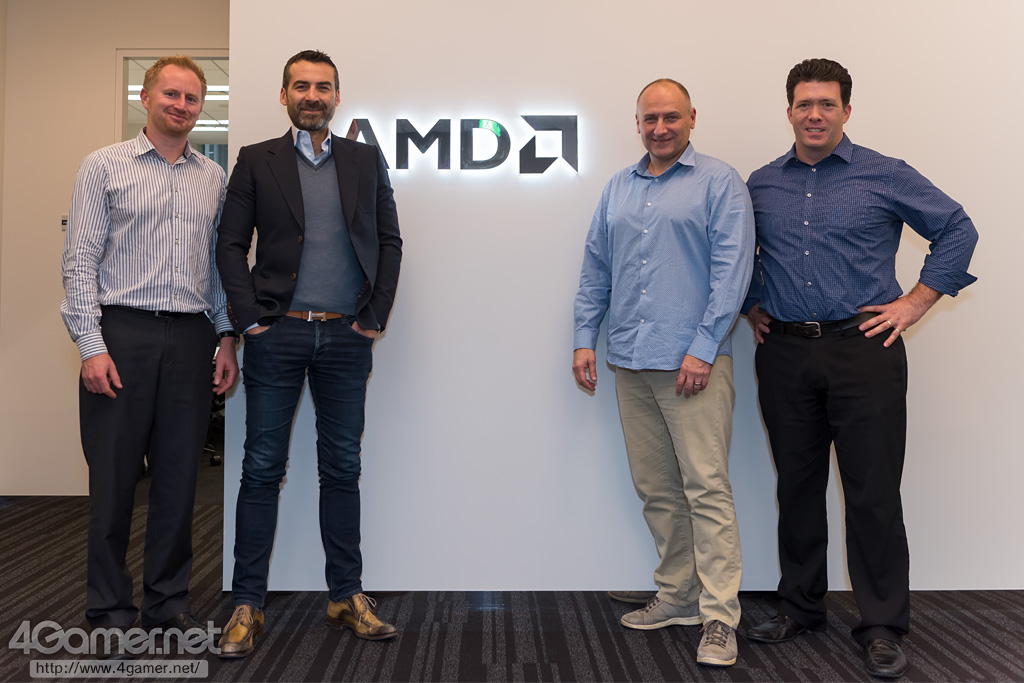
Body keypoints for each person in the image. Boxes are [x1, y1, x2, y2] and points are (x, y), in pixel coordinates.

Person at [742, 58, 979, 679]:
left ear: (846, 110)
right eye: (804, 104)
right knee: (796, 488)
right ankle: (801, 607)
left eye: (827, 104)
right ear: (788, 111)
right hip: (785, 352)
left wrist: (916, 301)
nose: (814, 114)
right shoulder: (761, 183)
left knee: (872, 493)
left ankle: (881, 625)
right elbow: (737, 252)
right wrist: (751, 304)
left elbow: (957, 227)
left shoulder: (884, 173)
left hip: (863, 350)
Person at [215, 49, 402, 657]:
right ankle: (247, 602)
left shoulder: (365, 159)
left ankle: (346, 595)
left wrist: (373, 317)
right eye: (301, 86)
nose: (312, 96)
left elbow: (390, 241)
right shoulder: (255, 160)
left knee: (342, 467)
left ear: (337, 97)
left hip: (346, 337)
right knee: (262, 469)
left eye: (323, 87)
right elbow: (230, 245)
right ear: (284, 95)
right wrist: (250, 321)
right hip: (279, 335)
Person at [572, 78, 753, 668]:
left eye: (671, 117)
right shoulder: (618, 188)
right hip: (630, 360)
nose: (660, 128)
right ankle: (678, 594)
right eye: (650, 118)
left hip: (691, 364)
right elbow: (596, 269)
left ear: (692, 118)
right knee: (657, 488)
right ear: (637, 123)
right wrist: (585, 339)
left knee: (706, 489)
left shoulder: (719, 182)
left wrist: (703, 348)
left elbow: (732, 273)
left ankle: (720, 616)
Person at [61, 55, 239, 643]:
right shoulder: (103, 166)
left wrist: (225, 336)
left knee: (178, 480)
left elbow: (216, 268)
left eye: (191, 98)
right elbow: (79, 261)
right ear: (145, 97)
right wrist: (91, 345)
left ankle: (166, 603)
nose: (181, 105)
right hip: (121, 334)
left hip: (191, 337)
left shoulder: (212, 178)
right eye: (171, 94)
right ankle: (110, 611)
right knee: (113, 481)